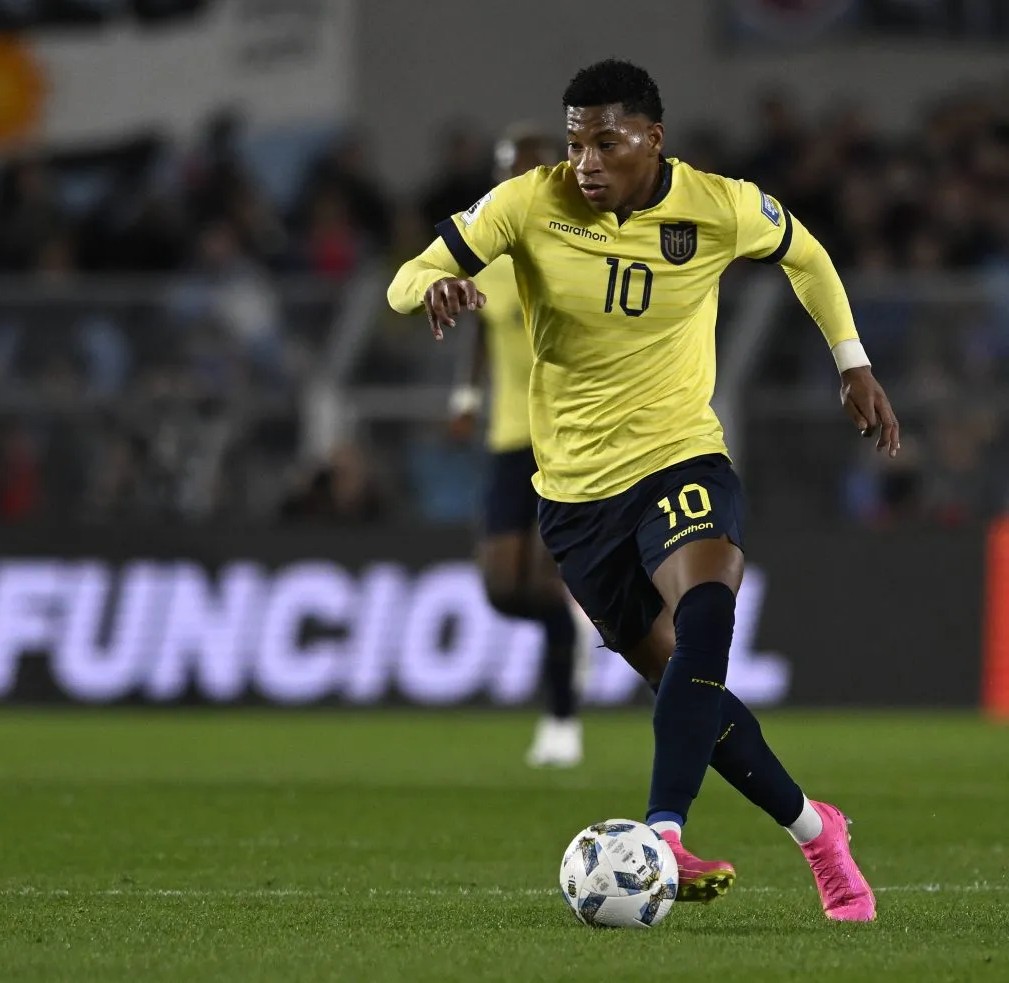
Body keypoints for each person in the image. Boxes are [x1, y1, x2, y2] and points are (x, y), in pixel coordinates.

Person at [388, 59, 899, 922]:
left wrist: (852, 362)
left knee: (705, 608)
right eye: (575, 141)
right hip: (576, 496)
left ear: (652, 140)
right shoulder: (527, 201)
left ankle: (662, 832)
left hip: (680, 455)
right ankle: (819, 830)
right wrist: (433, 284)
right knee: (686, 689)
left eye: (606, 141)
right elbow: (405, 276)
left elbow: (805, 252)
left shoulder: (718, 205)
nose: (585, 160)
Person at [447, 125, 591, 767]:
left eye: (529, 169)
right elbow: (481, 329)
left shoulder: (574, 247)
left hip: (564, 437)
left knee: (540, 573)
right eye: (510, 169)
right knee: (502, 588)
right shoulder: (490, 255)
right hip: (508, 435)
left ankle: (561, 719)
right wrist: (466, 399)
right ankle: (574, 629)